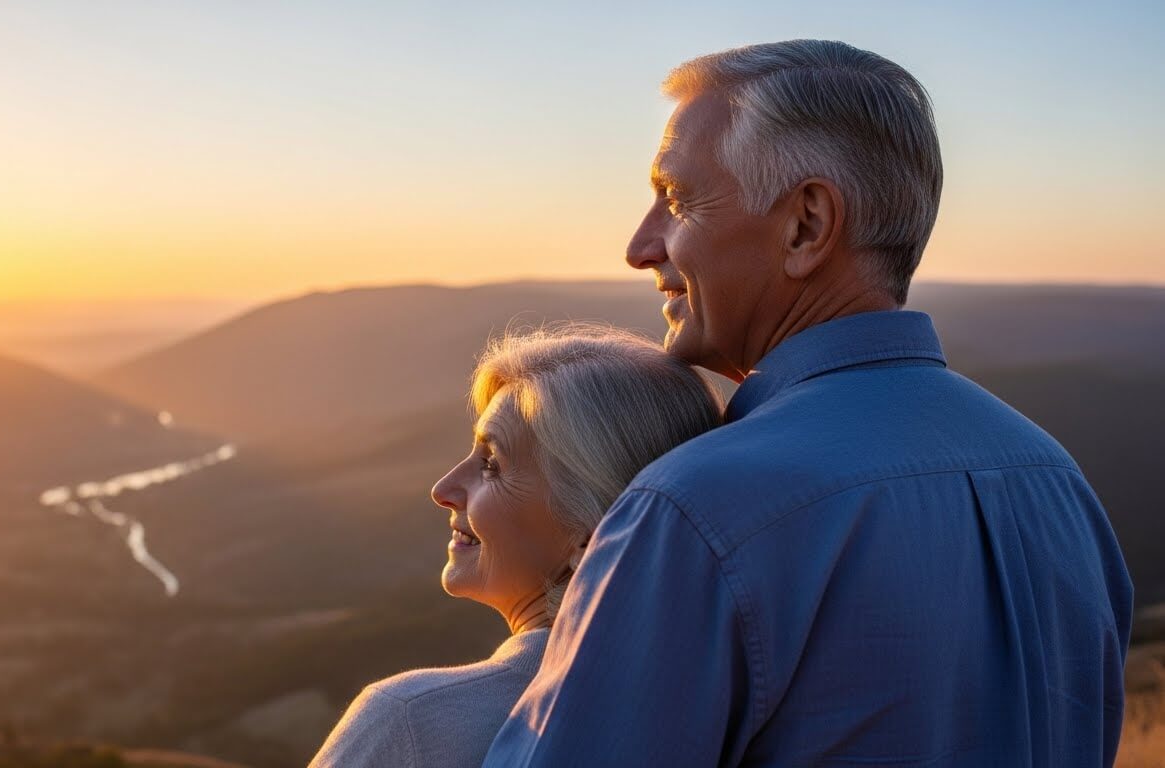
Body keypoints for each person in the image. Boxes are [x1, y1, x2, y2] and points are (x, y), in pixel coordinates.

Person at [483, 40, 1133, 767]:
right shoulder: (1057, 484)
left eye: (676, 199)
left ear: (806, 226)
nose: (640, 247)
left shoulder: (696, 510)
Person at [309, 326, 723, 767]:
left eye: (492, 464)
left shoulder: (412, 723)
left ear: (592, 536)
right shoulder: (718, 711)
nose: (443, 489)